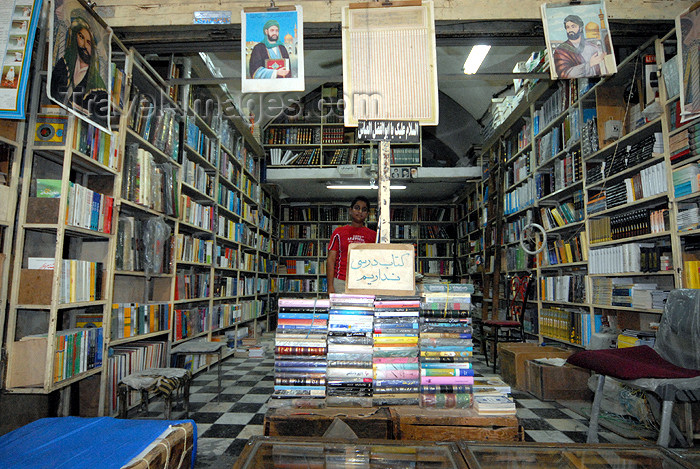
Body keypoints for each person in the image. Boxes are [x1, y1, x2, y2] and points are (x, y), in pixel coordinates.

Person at [50, 16, 108, 122]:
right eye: (81, 37)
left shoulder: (98, 87)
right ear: (74, 38)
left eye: (89, 43)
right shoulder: (62, 65)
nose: (85, 46)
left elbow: (100, 119)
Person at [327, 196, 377, 294]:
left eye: (364, 209)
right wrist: (330, 286)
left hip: (364, 282)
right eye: (357, 208)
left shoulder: (373, 235)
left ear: (367, 214)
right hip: (341, 282)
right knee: (339, 309)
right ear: (350, 211)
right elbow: (330, 260)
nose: (360, 212)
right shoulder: (339, 232)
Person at [553, 14, 605, 79]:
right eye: (568, 27)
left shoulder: (592, 46)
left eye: (573, 26)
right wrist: (589, 65)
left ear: (580, 28)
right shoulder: (561, 51)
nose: (570, 30)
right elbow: (564, 74)